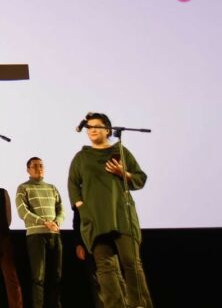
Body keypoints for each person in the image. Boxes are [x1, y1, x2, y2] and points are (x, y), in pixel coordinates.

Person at [68, 112, 153, 308]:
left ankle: (140, 305)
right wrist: (81, 207)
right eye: (89, 127)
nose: (92, 130)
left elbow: (140, 178)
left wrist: (124, 173)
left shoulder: (120, 151)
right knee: (105, 267)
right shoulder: (82, 157)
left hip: (121, 215)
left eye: (96, 126)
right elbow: (73, 184)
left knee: (131, 263)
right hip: (95, 219)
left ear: (107, 129)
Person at [15, 157, 65, 308]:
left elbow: (61, 209)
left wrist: (57, 222)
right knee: (38, 277)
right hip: (36, 236)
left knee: (56, 277)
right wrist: (44, 222)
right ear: (28, 170)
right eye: (35, 166)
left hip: (54, 235)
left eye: (41, 165)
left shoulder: (52, 188)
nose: (39, 168)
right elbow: (23, 212)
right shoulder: (23, 188)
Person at [73, 207, 106, 308]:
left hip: (107, 241)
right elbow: (77, 221)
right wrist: (78, 243)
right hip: (89, 244)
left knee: (113, 278)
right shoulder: (81, 200)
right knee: (96, 281)